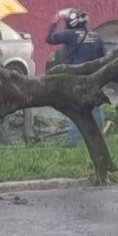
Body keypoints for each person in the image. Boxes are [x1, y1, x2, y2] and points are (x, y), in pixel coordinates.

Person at [46, 8, 106, 145]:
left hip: (75, 79)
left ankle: (76, 141)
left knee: (75, 107)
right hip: (95, 79)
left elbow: (49, 38)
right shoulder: (96, 36)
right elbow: (104, 58)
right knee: (95, 107)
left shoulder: (69, 34)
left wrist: (54, 23)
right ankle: (99, 137)